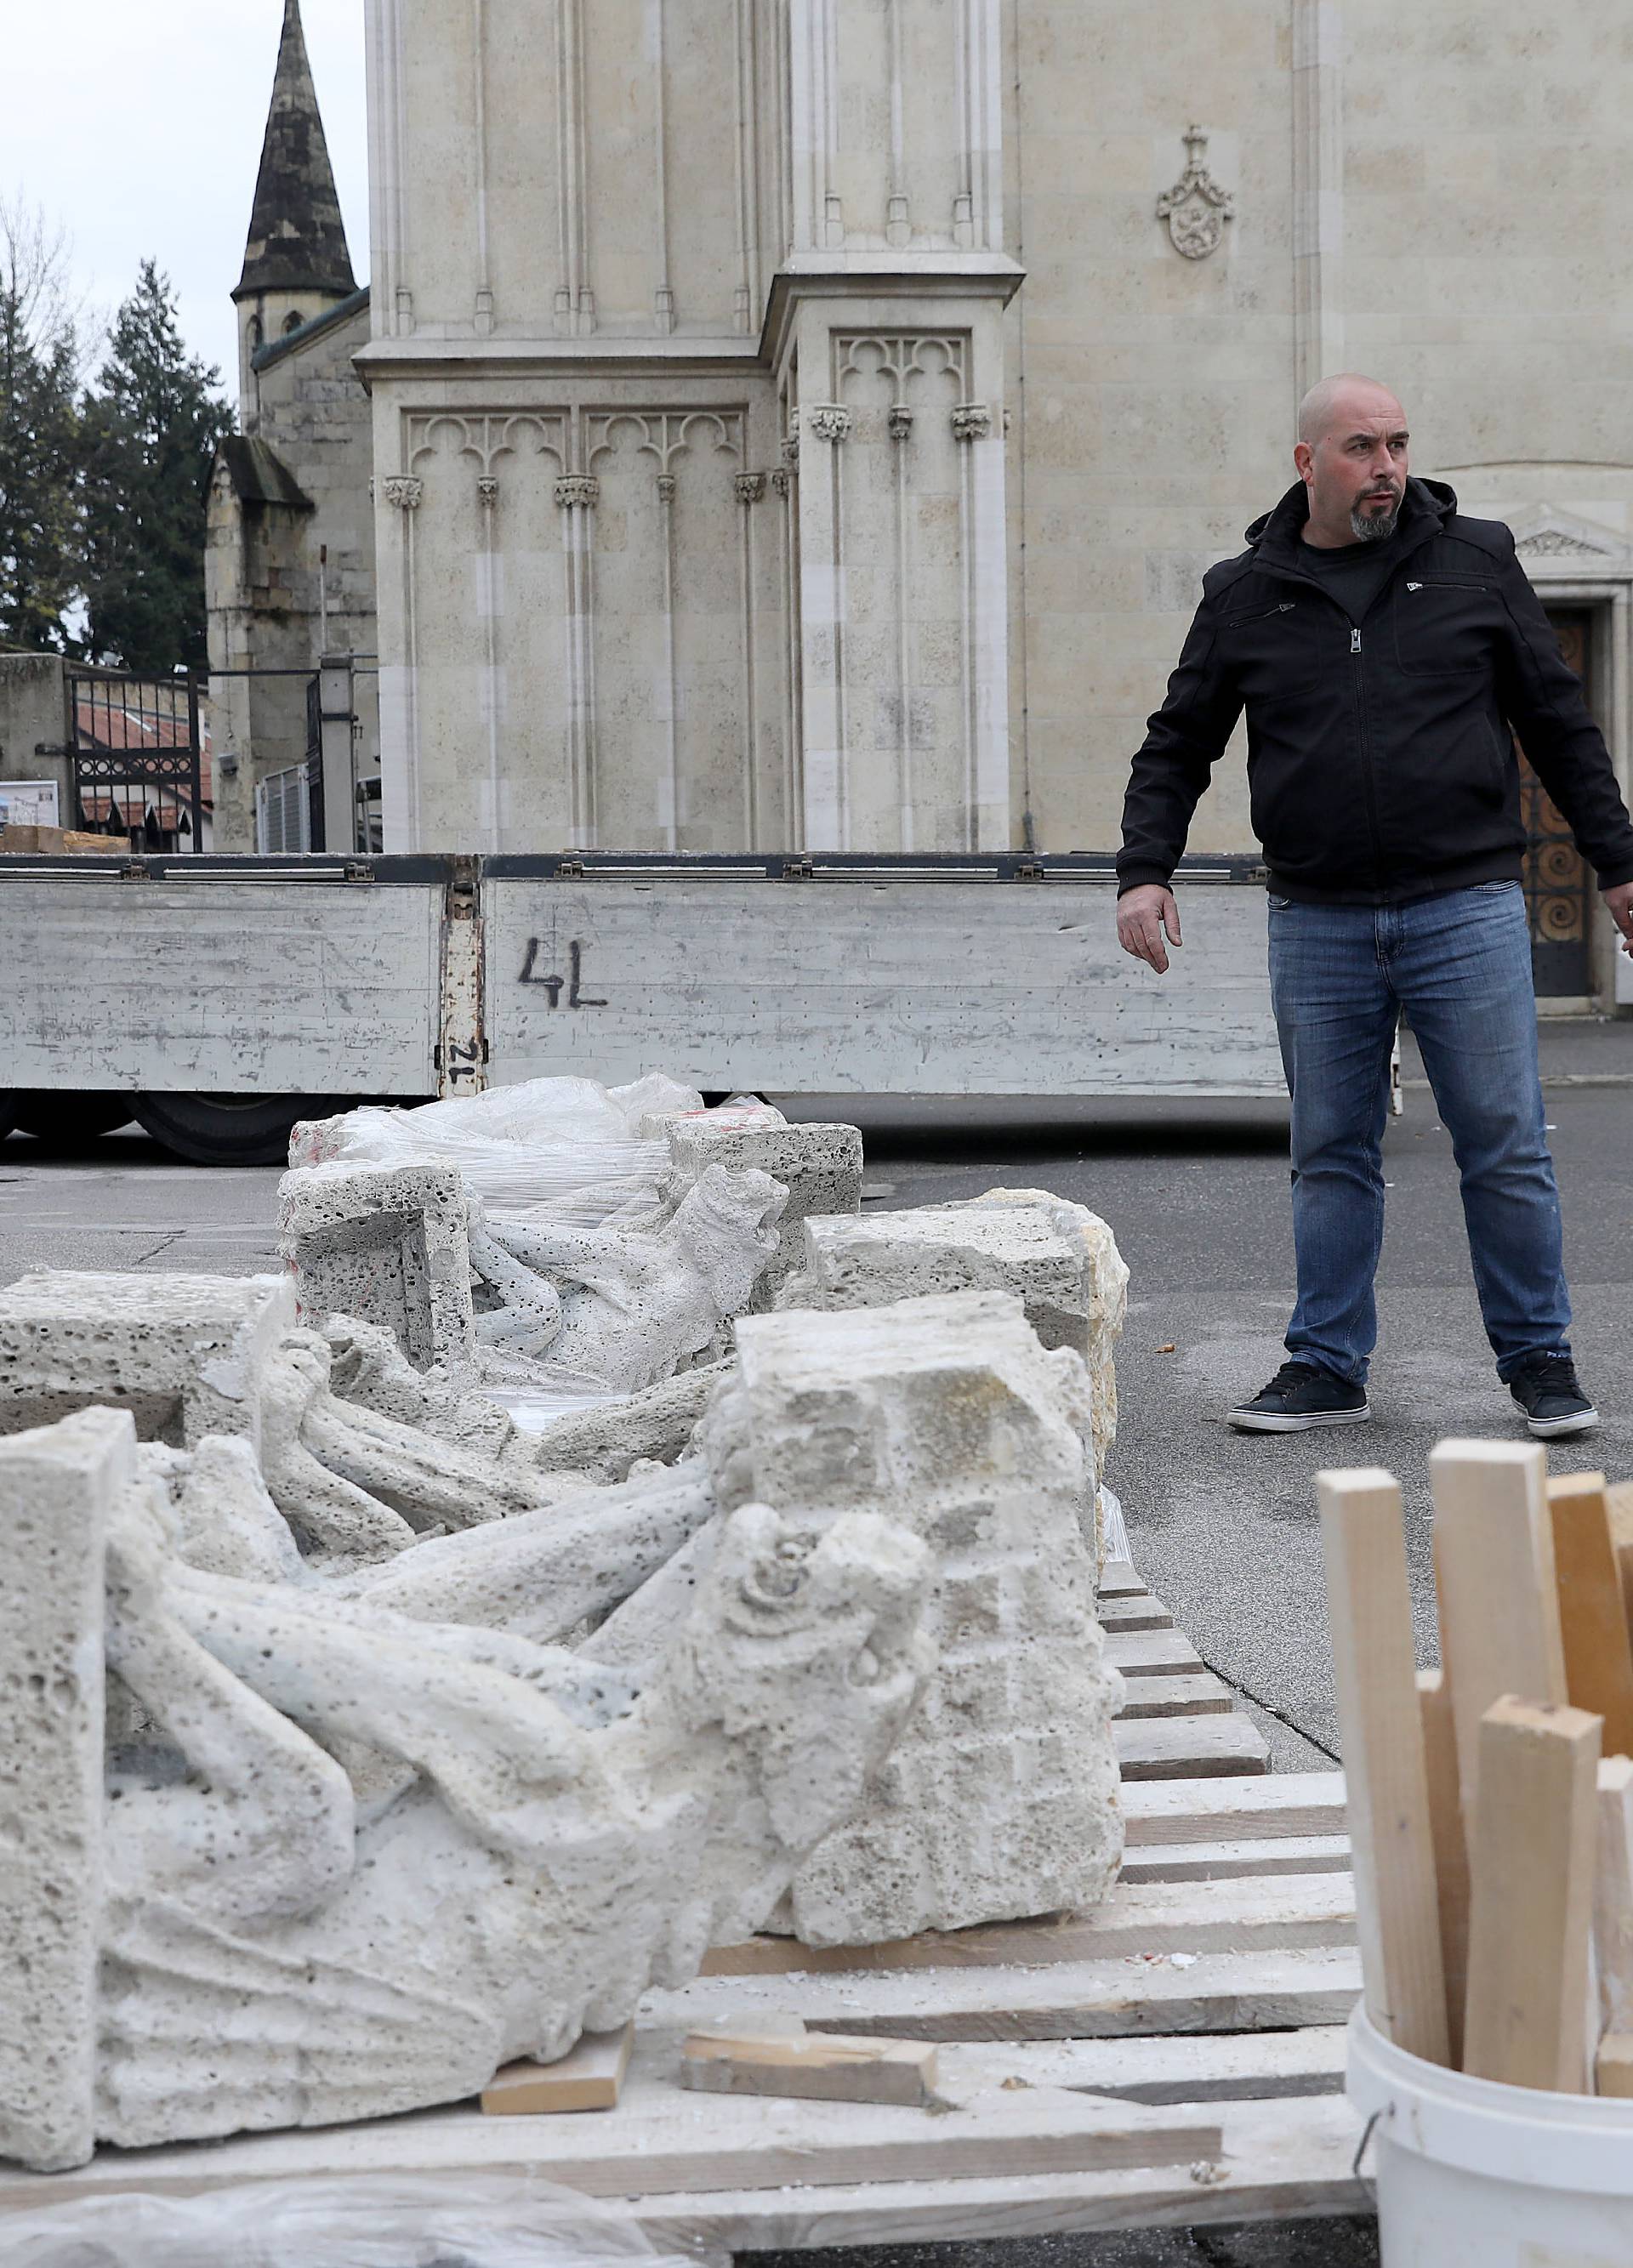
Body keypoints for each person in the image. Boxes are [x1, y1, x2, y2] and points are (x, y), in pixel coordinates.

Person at [1115, 374, 1633, 1440]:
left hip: (1468, 907)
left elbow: (1558, 724)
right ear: (1309, 463)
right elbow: (1179, 741)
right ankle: (1327, 1364)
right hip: (1319, 920)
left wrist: (1618, 866)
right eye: (1362, 447)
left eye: (1398, 444)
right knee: (1333, 1152)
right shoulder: (1245, 591)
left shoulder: (1474, 560)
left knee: (1505, 1143)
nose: (1387, 466)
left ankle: (1540, 1361)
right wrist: (1144, 868)